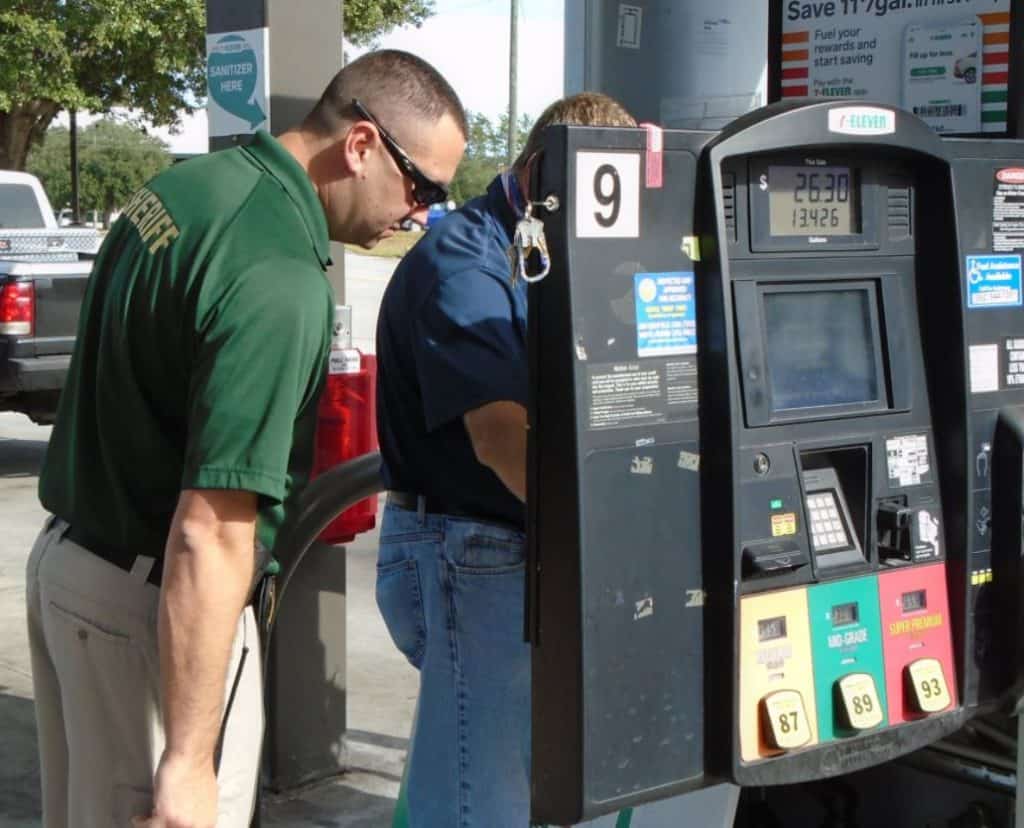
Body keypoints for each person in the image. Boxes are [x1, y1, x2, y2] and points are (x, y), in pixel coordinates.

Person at [26, 49, 466, 828]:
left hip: (73, 574)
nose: (424, 213)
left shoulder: (190, 188)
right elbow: (212, 533)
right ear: (361, 146)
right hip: (151, 612)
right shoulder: (279, 278)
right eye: (423, 186)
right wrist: (190, 764)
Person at [375, 92, 636, 827]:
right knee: (477, 800)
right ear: (535, 175)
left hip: (516, 543)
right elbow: (499, 436)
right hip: (471, 549)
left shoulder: (552, 254)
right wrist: (607, 540)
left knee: (513, 784)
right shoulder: (465, 261)